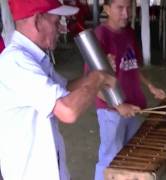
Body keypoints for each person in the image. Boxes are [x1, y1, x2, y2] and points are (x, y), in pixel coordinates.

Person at [0, 0, 140, 179]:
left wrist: (98, 71)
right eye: (56, 22)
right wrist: (98, 78)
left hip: (50, 168)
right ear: (37, 21)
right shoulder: (16, 62)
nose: (61, 29)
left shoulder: (35, 58)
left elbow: (65, 87)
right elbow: (68, 111)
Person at [85, 0, 166, 179]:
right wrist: (118, 106)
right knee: (110, 158)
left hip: (133, 105)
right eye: (120, 8)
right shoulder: (100, 36)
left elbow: (133, 65)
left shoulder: (128, 32)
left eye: (129, 8)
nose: (126, 13)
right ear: (106, 8)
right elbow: (91, 84)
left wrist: (150, 86)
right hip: (111, 110)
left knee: (130, 154)